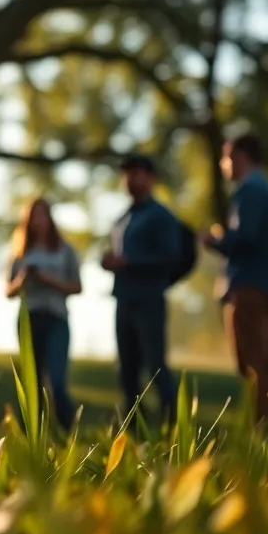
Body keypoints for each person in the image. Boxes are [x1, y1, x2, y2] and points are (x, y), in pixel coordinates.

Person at [199, 133, 268, 424]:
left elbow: (246, 237)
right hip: (262, 285)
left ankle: (266, 433)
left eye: (226, 158)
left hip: (248, 286)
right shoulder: (266, 191)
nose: (224, 165)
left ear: (240, 157)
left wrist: (216, 241)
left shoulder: (249, 191)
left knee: (253, 364)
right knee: (262, 361)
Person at [101, 154, 184, 429]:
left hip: (148, 300)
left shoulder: (161, 216)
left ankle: (172, 426)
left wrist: (129, 263)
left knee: (155, 366)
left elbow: (171, 258)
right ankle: (134, 431)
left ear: (151, 178)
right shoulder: (123, 218)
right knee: (126, 370)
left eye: (137, 173)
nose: (131, 179)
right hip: (123, 300)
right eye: (127, 174)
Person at [6, 198, 82, 432]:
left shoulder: (65, 250)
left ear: (50, 219)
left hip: (57, 319)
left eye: (43, 215)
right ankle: (31, 434)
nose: (38, 220)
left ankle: (69, 432)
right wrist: (23, 279)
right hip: (29, 320)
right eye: (34, 216)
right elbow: (8, 290)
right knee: (32, 381)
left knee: (57, 380)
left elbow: (77, 286)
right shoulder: (20, 253)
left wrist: (50, 280)